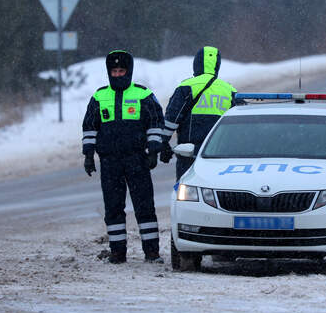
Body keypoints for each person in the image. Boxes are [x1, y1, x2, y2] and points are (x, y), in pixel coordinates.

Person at [82, 50, 165, 264]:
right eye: (114, 71)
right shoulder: (99, 97)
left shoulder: (143, 95)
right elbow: (90, 127)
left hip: (137, 160)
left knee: (145, 207)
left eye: (122, 71)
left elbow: (156, 122)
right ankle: (117, 252)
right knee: (113, 208)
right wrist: (89, 155)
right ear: (109, 72)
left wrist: (154, 150)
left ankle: (152, 252)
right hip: (110, 162)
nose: (118, 75)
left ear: (129, 71)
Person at [160, 46, 237, 181]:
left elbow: (172, 119)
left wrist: (163, 143)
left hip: (189, 154)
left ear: (196, 64)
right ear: (217, 66)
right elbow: (239, 125)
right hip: (220, 155)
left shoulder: (187, 87)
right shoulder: (229, 90)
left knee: (187, 191)